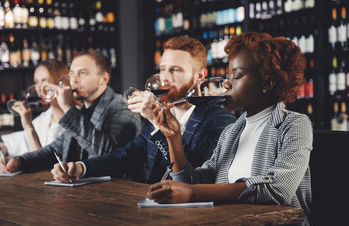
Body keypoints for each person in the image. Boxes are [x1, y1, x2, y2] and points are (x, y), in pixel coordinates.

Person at [147, 33, 317, 226]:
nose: (226, 84)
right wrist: (173, 138)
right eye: (228, 76)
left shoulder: (294, 125)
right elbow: (194, 182)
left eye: (236, 76)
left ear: (268, 82)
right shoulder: (232, 131)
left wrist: (192, 193)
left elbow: (278, 189)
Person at [51, 36, 236, 183]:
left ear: (200, 76)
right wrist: (81, 168)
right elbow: (123, 156)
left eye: (176, 70)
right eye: (163, 69)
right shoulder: (162, 112)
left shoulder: (220, 121)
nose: (165, 78)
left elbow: (188, 173)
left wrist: (157, 122)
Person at [0, 50, 142, 173]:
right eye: (71, 73)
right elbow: (54, 150)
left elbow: (108, 153)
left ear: (104, 78)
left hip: (119, 194)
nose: (74, 80)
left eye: (82, 73)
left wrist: (67, 108)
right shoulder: (83, 110)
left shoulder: (123, 106)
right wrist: (20, 161)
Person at [0, 60, 77, 161]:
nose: (39, 88)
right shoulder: (44, 118)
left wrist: (29, 127)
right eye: (36, 82)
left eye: (45, 81)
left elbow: (41, 161)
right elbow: (19, 141)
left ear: (60, 82)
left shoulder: (76, 118)